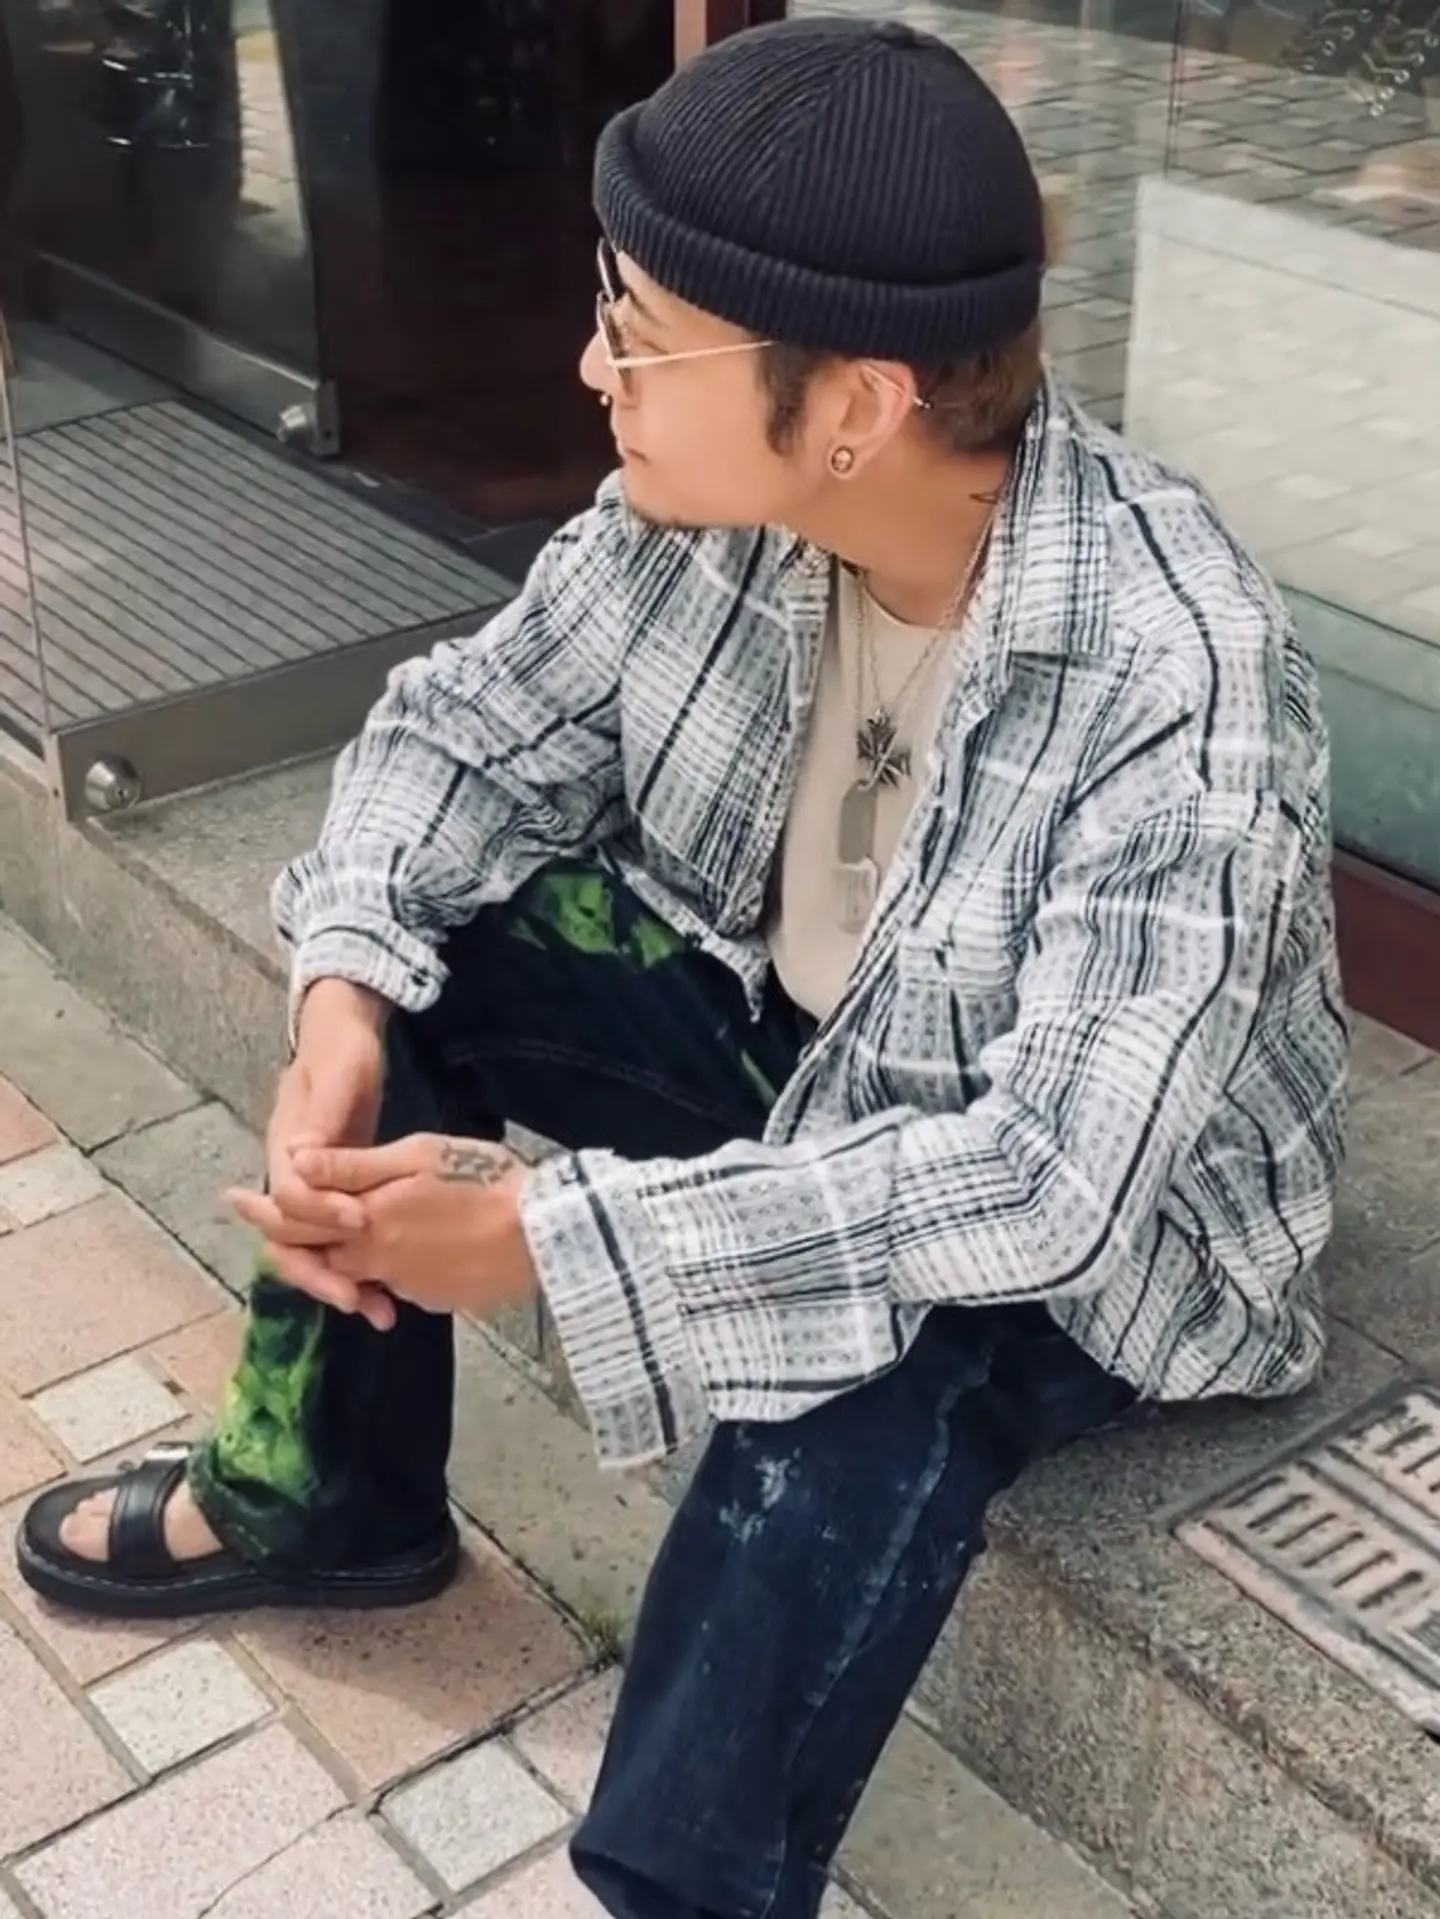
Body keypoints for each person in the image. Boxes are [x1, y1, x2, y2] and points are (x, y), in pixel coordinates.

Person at [19, 18, 1349, 1917]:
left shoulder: (1174, 673)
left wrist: (557, 1237)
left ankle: (679, 1887)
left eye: (639, 335)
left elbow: (1045, 1179)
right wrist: (340, 1003)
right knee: (439, 947)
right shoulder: (708, 521)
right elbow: (464, 734)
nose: (593, 365)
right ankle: (320, 1487)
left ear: (856, 403)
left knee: (863, 1346)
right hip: (795, 1043)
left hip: (1094, 1229)